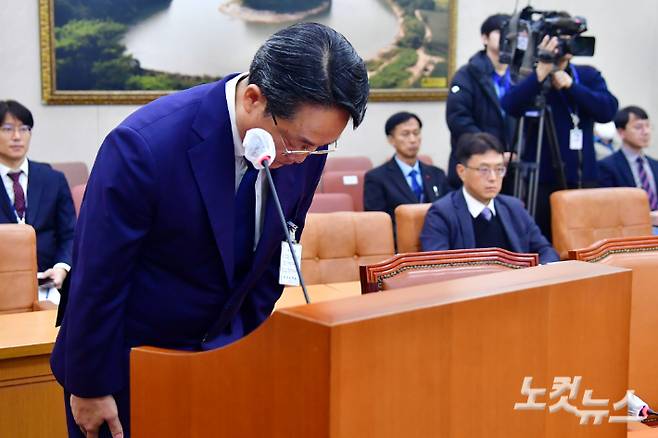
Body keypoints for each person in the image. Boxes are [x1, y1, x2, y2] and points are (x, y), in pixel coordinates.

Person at [50, 22, 369, 438]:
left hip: (226, 364)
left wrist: (242, 351)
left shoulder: (306, 148)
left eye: (321, 146)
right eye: (300, 143)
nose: (306, 157)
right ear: (254, 98)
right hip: (132, 367)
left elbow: (274, 254)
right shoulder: (145, 145)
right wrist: (90, 386)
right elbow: (98, 276)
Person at [501, 30, 618, 238]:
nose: (563, 48)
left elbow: (608, 110)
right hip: (542, 180)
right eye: (557, 42)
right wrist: (540, 73)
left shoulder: (588, 75)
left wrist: (572, 87)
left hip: (583, 177)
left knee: (582, 242)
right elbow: (509, 105)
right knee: (542, 241)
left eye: (567, 42)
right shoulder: (530, 77)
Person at [420, 133, 558, 264]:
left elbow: (546, 251)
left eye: (499, 169)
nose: (493, 178)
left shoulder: (514, 207)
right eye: (484, 169)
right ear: (462, 172)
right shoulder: (441, 213)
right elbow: (438, 267)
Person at [0, 100, 75, 309]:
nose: (17, 136)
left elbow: (70, 233)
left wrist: (61, 268)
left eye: (24, 129)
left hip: (49, 283)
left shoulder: (53, 179)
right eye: (7, 129)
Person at [446, 13, 515, 190]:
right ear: (485, 38)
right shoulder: (466, 75)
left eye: (512, 34)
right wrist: (493, 153)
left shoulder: (520, 76)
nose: (508, 38)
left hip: (513, 168)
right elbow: (459, 120)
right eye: (501, 33)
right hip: (477, 164)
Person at [364, 111, 450, 222]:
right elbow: (377, 222)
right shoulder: (376, 178)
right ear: (391, 140)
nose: (412, 140)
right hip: (399, 238)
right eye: (405, 134)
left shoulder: (437, 174)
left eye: (416, 133)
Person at [598, 106, 658, 211]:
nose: (646, 132)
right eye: (638, 127)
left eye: (648, 126)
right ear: (621, 132)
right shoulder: (607, 166)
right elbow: (608, 207)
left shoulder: (655, 165)